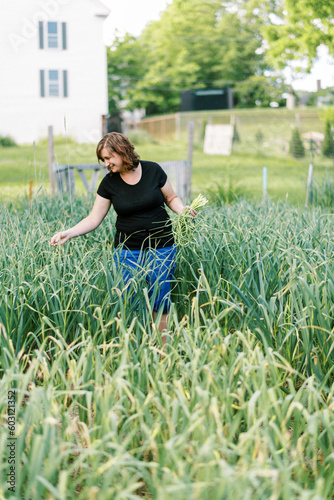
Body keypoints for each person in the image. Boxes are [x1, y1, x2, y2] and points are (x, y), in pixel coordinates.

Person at [50, 132, 196, 347]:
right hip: (128, 251)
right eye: (103, 160)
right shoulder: (109, 184)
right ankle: (137, 351)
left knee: (161, 300)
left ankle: (163, 351)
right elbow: (94, 218)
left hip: (163, 247)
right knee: (131, 301)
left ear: (123, 151)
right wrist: (68, 233)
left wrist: (182, 210)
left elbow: (171, 198)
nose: (106, 164)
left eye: (109, 158)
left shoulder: (153, 170)